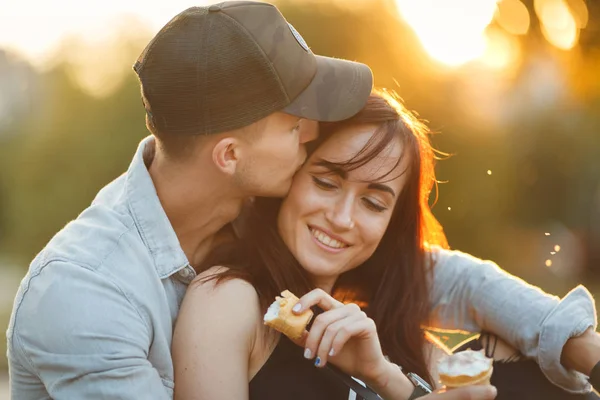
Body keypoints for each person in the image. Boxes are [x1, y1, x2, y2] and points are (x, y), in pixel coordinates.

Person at [6, 2, 375, 399]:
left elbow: (418, 269)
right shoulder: (86, 291)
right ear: (230, 155)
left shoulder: (257, 208)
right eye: (294, 125)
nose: (311, 135)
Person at [172, 90, 600, 400]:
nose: (342, 219)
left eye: (374, 203)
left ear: (390, 224)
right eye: (326, 182)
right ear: (290, 176)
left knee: (496, 356)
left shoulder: (373, 328)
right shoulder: (230, 298)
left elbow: (470, 282)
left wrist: (386, 377)